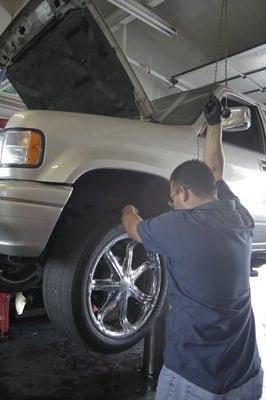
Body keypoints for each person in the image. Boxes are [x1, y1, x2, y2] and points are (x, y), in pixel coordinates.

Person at [121, 96, 264, 400]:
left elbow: (133, 228)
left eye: (172, 199)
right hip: (248, 375)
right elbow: (215, 173)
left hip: (195, 380)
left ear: (183, 192)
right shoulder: (238, 215)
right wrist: (214, 126)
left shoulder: (179, 226)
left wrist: (127, 206)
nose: (172, 204)